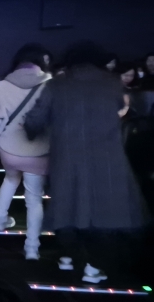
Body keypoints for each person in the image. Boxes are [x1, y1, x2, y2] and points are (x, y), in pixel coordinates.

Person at [24, 41, 150, 282]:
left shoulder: (56, 85)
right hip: (107, 157)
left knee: (67, 206)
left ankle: (67, 257)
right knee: (102, 212)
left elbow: (34, 120)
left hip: (67, 157)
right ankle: (92, 266)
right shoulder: (111, 82)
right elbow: (122, 108)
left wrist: (33, 132)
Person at [0, 43, 52, 260]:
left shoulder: (3, 85)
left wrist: (7, 131)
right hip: (39, 149)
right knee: (34, 199)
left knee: (10, 180)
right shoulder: (49, 83)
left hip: (9, 148)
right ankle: (32, 248)